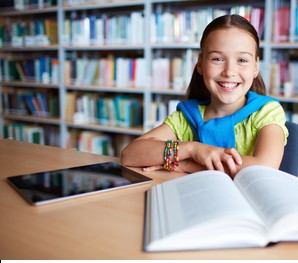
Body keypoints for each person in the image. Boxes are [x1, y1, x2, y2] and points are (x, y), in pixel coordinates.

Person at [121, 14, 288, 178]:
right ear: (200, 64)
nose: (229, 71)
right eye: (217, 59)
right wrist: (192, 149)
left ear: (255, 67)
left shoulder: (266, 112)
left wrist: (186, 164)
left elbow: (265, 167)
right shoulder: (186, 118)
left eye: (242, 60)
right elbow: (130, 155)